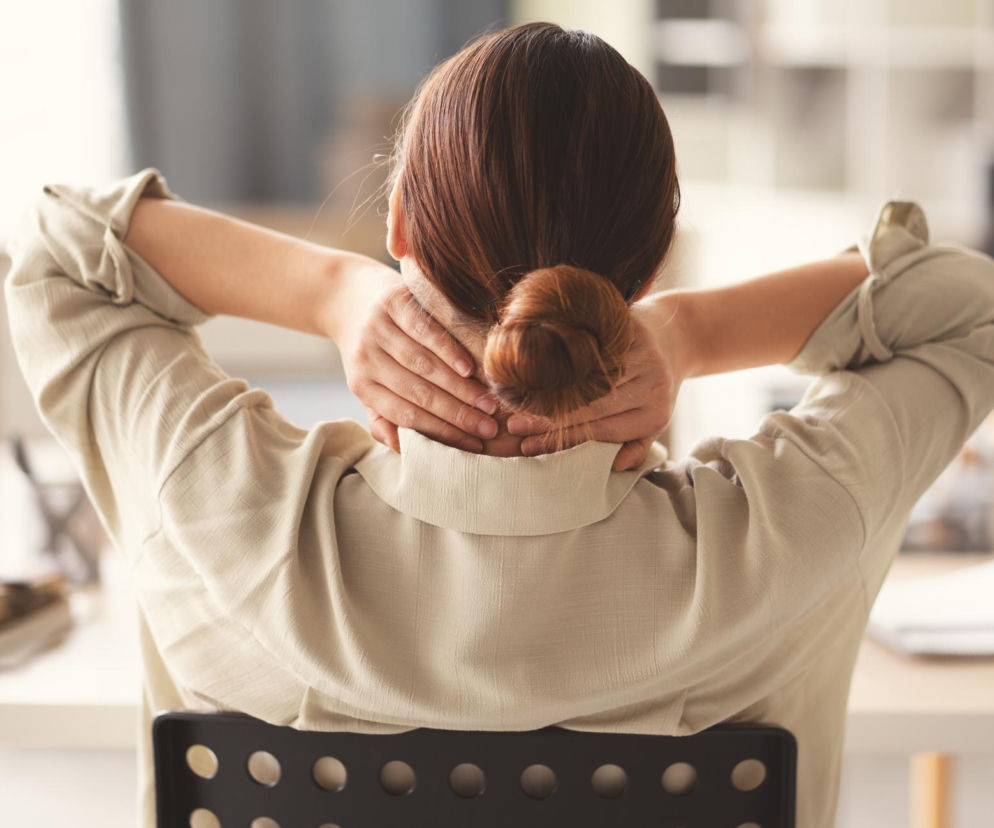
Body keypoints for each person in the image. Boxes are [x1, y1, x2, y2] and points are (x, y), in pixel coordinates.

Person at [5, 21, 994, 828]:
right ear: (647, 276)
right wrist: (691, 333)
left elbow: (56, 254)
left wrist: (328, 292)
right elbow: (968, 309)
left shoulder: (215, 503)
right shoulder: (787, 532)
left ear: (397, 231)